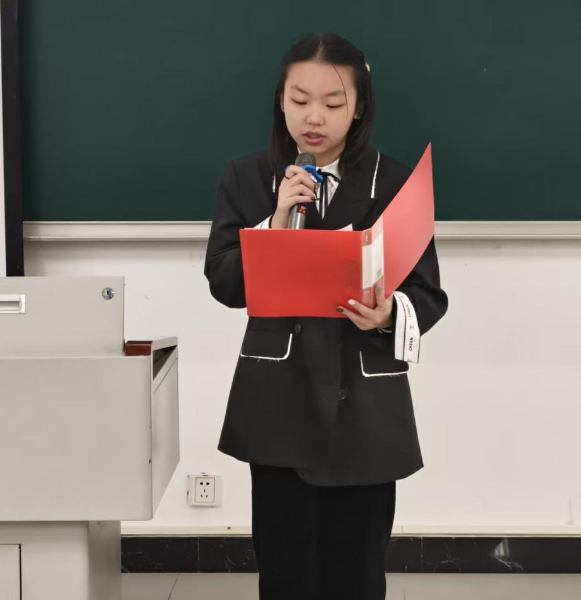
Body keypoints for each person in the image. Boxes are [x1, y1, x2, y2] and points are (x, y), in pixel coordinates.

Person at [203, 32, 448, 600]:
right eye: (299, 100)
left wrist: (387, 315)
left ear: (358, 107)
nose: (314, 117)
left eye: (333, 103)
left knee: (356, 569)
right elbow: (224, 283)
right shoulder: (247, 177)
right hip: (278, 398)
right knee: (284, 566)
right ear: (281, 101)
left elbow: (428, 294)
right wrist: (274, 224)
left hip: (363, 402)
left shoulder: (395, 182)